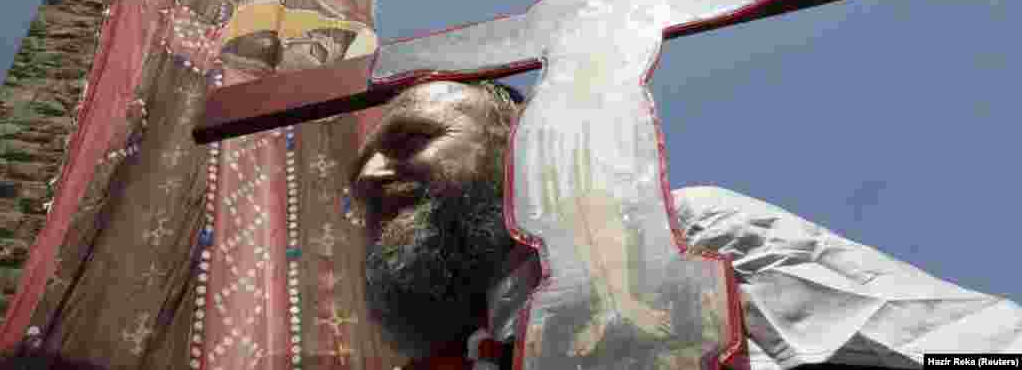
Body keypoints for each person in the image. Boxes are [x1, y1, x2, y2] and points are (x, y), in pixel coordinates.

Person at [348, 81, 1022, 370]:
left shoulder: (677, 231)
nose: (372, 175)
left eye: (411, 138)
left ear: (519, 148)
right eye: (362, 168)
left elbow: (939, 336)